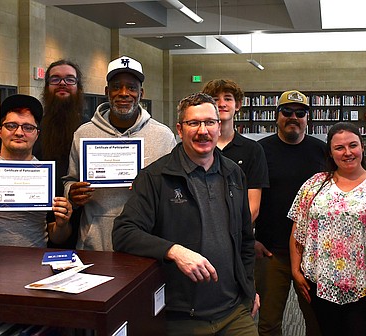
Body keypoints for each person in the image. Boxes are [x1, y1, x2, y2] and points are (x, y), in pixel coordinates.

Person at [112, 93, 258, 335]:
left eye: (210, 122)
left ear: (219, 127)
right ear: (180, 129)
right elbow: (124, 233)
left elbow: (245, 239)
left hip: (233, 311)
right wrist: (174, 251)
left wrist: (249, 289)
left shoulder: (234, 174)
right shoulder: (155, 177)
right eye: (194, 123)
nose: (203, 131)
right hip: (182, 317)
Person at [288, 122, 366, 336]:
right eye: (339, 148)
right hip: (320, 283)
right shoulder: (314, 184)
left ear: (362, 147)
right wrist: (295, 269)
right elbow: (298, 229)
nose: (347, 152)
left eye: (353, 145)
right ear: (330, 152)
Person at [64, 55, 176, 251]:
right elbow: (70, 180)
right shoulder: (84, 133)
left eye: (131, 88)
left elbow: (174, 187)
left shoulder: (163, 136)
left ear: (141, 93)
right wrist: (71, 193)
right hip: (95, 242)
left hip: (147, 242)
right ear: (107, 92)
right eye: (116, 87)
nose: (124, 93)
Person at [0, 94, 72, 247]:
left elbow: (57, 237)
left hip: (34, 265)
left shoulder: (48, 175)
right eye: (11, 126)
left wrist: (62, 224)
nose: (19, 132)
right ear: (0, 131)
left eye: (28, 127)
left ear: (37, 134)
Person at [255, 90, 325, 336]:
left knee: (317, 322)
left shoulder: (322, 151)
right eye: (287, 112)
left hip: (313, 254)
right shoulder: (259, 151)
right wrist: (250, 239)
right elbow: (243, 199)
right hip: (272, 252)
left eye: (300, 113)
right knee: (269, 323)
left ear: (308, 118)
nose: (293, 117)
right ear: (277, 116)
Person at [35, 59, 86, 249]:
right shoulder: (33, 129)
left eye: (69, 79)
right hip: (40, 223)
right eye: (55, 79)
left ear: (78, 87)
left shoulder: (90, 131)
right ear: (46, 86)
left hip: (83, 223)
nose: (62, 83)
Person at [201, 79, 269, 221]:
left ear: (237, 105)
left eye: (227, 98)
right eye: (215, 99)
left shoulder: (253, 150)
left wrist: (231, 234)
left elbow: (253, 207)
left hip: (236, 235)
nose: (222, 104)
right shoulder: (198, 147)